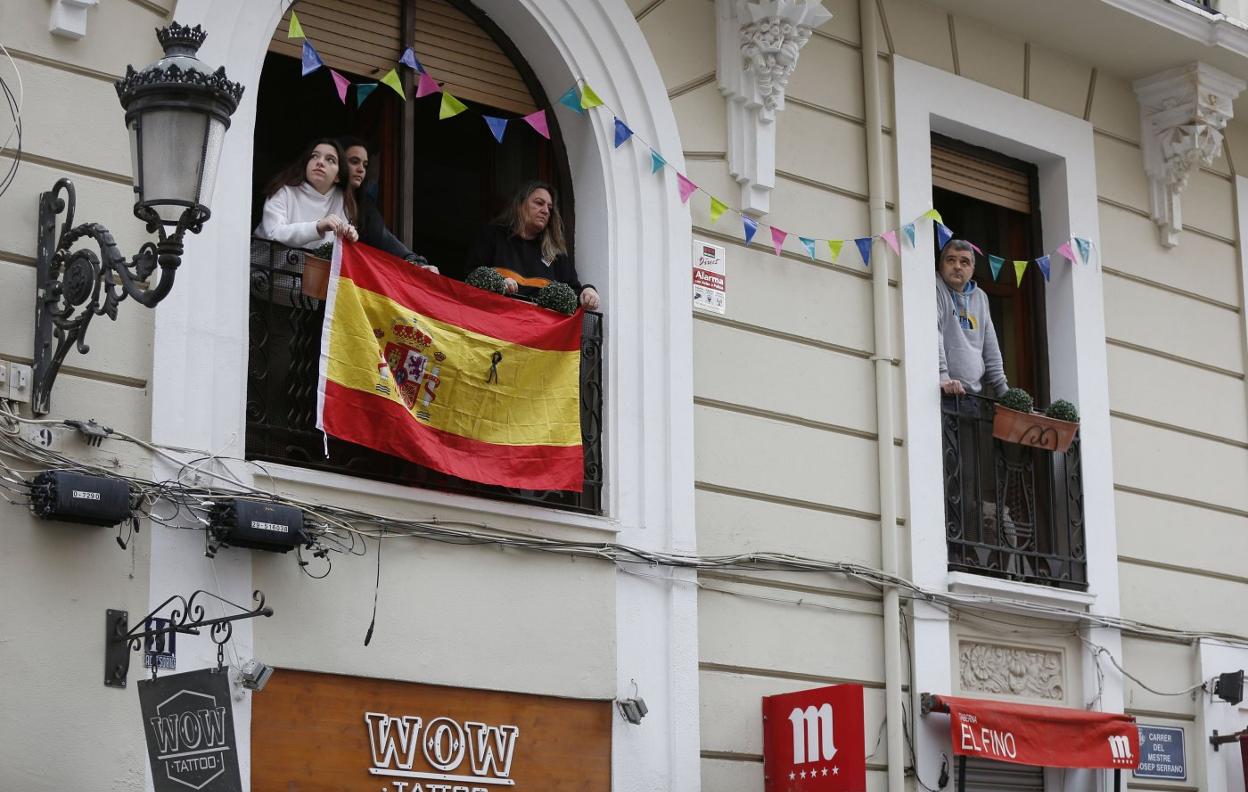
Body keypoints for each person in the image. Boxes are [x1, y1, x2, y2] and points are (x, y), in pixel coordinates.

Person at [465, 181, 600, 310]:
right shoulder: (493, 236)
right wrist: (497, 283)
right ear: (520, 205)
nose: (546, 211)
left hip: (538, 330)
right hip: (495, 324)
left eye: (549, 207)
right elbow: (472, 276)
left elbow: (573, 293)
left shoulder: (555, 253)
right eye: (539, 203)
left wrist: (588, 290)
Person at [339, 136, 438, 274]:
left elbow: (385, 240)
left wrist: (415, 262)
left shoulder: (364, 208)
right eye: (354, 162)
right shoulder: (320, 196)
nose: (361, 169)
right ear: (338, 162)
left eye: (365, 165)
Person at [936, 238, 1007, 397]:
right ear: (941, 265)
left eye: (964, 262)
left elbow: (991, 346)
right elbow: (935, 334)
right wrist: (942, 375)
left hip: (972, 397)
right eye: (951, 260)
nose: (957, 266)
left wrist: (1003, 390)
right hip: (942, 391)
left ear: (972, 269)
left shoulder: (980, 297)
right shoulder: (935, 287)